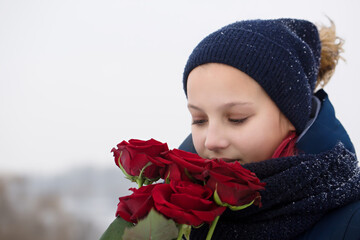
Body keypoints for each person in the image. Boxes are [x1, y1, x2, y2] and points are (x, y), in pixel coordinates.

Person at [179, 18, 360, 239]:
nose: (211, 141)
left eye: (237, 118)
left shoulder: (351, 224)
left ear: (292, 116)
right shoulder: (168, 214)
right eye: (199, 119)